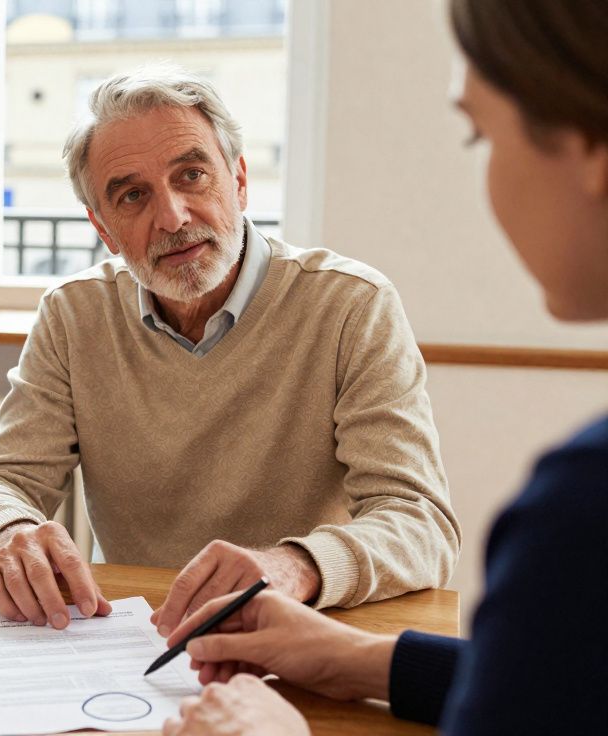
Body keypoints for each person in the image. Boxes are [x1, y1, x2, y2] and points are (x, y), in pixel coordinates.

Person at [159, 0, 608, 733]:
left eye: (481, 134)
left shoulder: (582, 509)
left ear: (590, 151)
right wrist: (356, 658)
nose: (173, 216)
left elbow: (422, 526)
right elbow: (565, 686)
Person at [0, 65, 460, 632]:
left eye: (191, 175)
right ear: (104, 229)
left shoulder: (351, 306)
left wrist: (295, 567)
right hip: (136, 634)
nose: (172, 217)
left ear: (239, 181)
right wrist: (7, 531)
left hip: (298, 630)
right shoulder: (74, 314)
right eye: (133, 195)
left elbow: (421, 523)